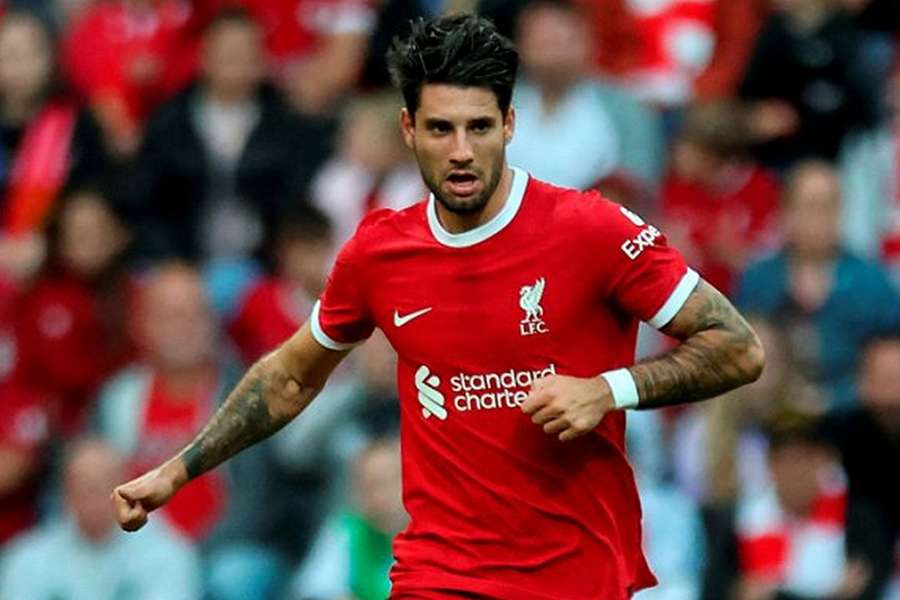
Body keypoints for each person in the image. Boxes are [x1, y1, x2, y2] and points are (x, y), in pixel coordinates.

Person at [111, 15, 764, 599]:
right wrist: (178, 469)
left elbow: (736, 347)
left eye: (479, 126)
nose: (460, 150)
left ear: (509, 124)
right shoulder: (378, 252)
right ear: (408, 129)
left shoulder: (591, 230)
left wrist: (609, 390)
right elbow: (289, 376)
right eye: (440, 128)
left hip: (574, 573)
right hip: (441, 574)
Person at [0, 437, 201, 600]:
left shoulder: (168, 553)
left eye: (101, 487)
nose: (91, 499)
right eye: (80, 488)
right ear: (64, 494)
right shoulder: (26, 558)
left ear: (128, 488)